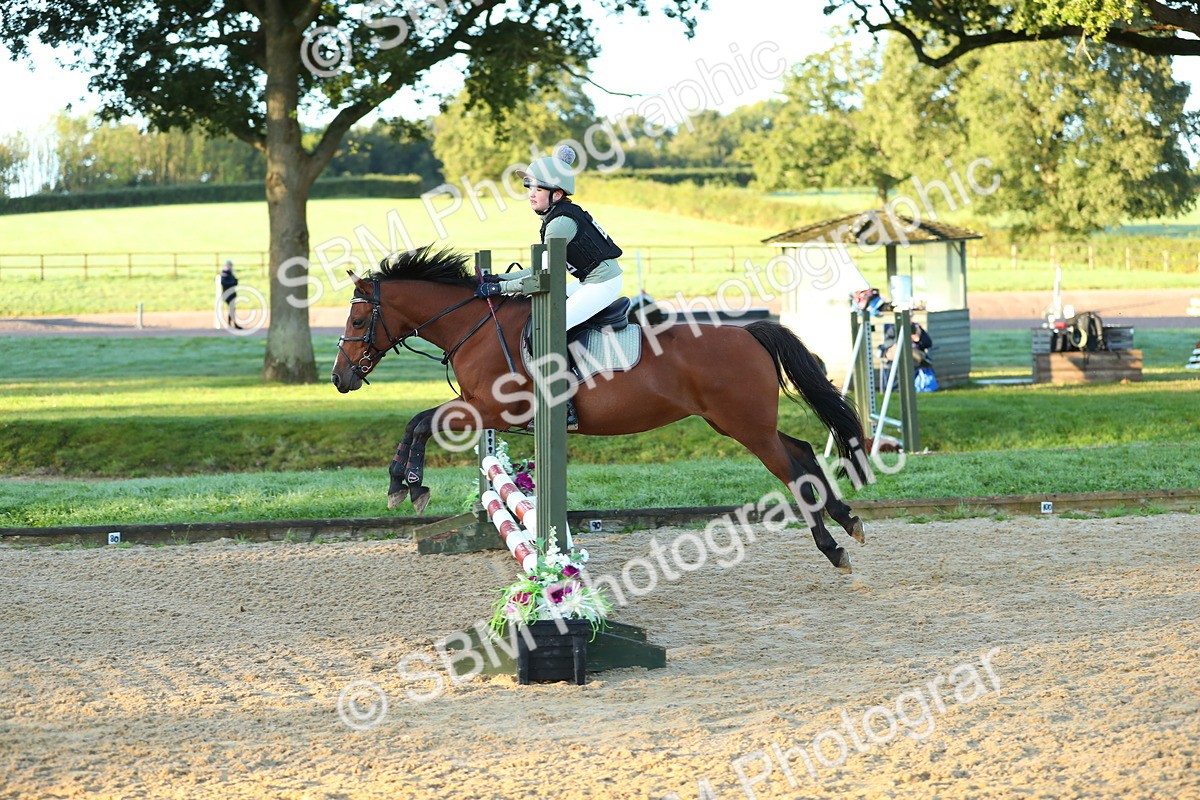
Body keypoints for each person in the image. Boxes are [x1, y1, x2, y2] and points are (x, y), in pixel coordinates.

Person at [475, 145, 624, 428]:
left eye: (537, 188)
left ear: (556, 193)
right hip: (588, 281)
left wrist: (500, 290)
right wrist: (498, 279)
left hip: (602, 284)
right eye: (528, 186)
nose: (530, 192)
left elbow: (544, 278)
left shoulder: (560, 223)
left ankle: (564, 405)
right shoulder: (558, 217)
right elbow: (540, 269)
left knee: (549, 329)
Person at [219, 260, 241, 329]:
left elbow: (235, 282)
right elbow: (225, 283)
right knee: (232, 308)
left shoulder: (230, 272)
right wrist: (233, 282)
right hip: (228, 294)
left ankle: (232, 324)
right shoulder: (225, 273)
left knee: (232, 309)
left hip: (231, 294)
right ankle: (232, 324)